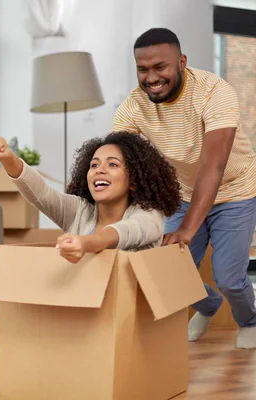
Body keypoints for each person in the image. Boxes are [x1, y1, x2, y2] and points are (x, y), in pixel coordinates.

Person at [112, 27, 256, 348]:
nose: (151, 77)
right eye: (143, 69)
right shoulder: (134, 106)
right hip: (183, 193)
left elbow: (213, 166)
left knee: (228, 279)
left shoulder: (215, 92)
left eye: (160, 67)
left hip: (235, 190)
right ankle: (208, 305)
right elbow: (118, 161)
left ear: (181, 62)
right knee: (166, 269)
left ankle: (249, 319)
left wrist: (188, 229)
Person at [0, 131, 181, 262]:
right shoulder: (79, 211)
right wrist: (8, 158)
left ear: (134, 177)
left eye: (112, 164)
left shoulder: (149, 216)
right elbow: (42, 194)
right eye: (94, 165)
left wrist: (86, 243)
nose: (99, 170)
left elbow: (126, 232)